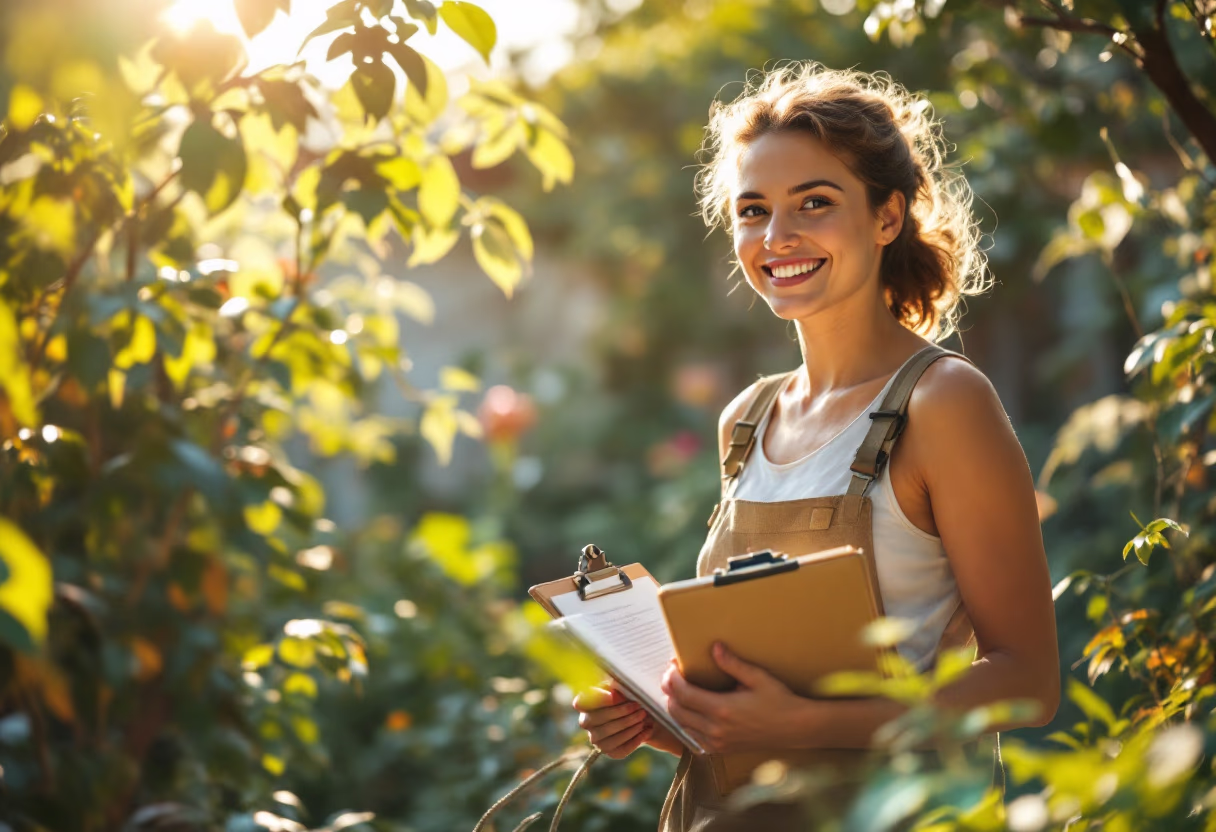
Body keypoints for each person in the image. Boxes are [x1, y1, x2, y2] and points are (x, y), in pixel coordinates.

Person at [571, 62, 1060, 831]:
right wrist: (661, 716)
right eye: (753, 210)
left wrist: (805, 727)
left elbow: (1026, 681)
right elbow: (757, 689)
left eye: (815, 203)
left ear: (887, 216)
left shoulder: (944, 403)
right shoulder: (747, 419)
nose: (777, 237)